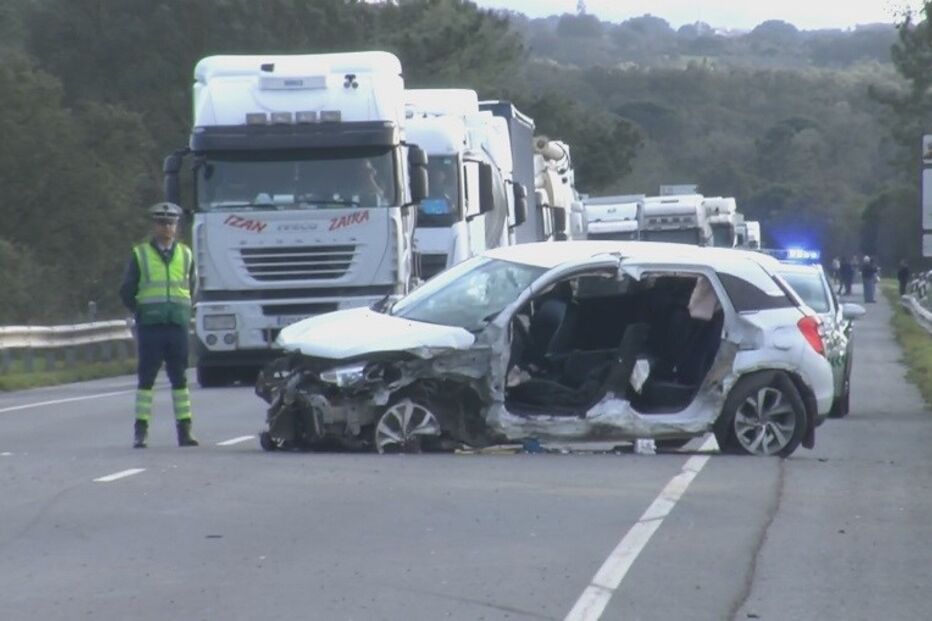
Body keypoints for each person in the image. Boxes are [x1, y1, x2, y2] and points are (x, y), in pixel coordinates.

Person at [119, 202, 198, 448]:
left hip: (176, 323)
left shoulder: (185, 254)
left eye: (171, 223)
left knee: (180, 379)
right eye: (162, 223)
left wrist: (182, 310)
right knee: (146, 379)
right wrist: (142, 310)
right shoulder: (140, 254)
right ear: (154, 226)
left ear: (176, 226)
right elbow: (127, 290)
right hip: (151, 325)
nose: (166, 228)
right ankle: (140, 431)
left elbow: (192, 287)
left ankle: (184, 431)